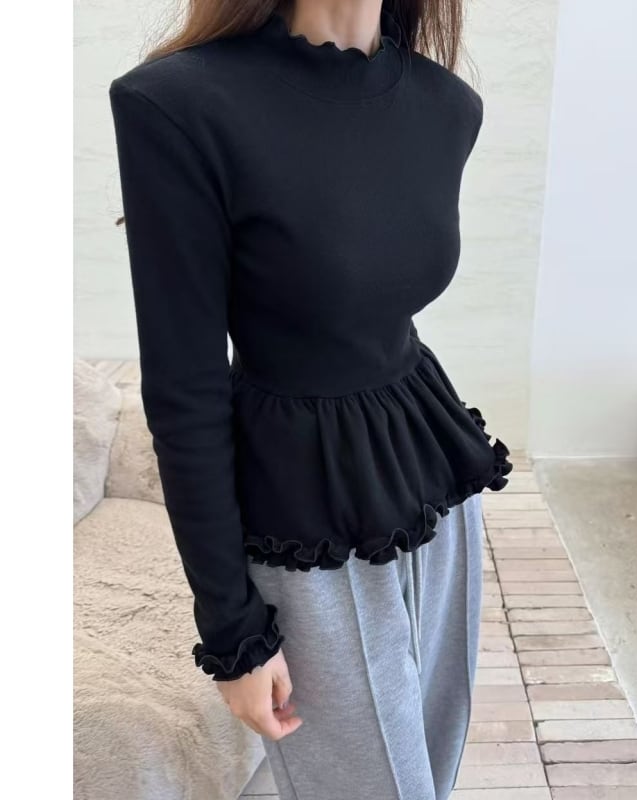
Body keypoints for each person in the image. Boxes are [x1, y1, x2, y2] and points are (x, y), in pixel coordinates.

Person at [108, 1, 513, 797]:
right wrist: (232, 630)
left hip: (436, 487)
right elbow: (185, 390)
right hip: (303, 514)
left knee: (431, 774)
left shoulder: (447, 106)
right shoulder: (177, 105)